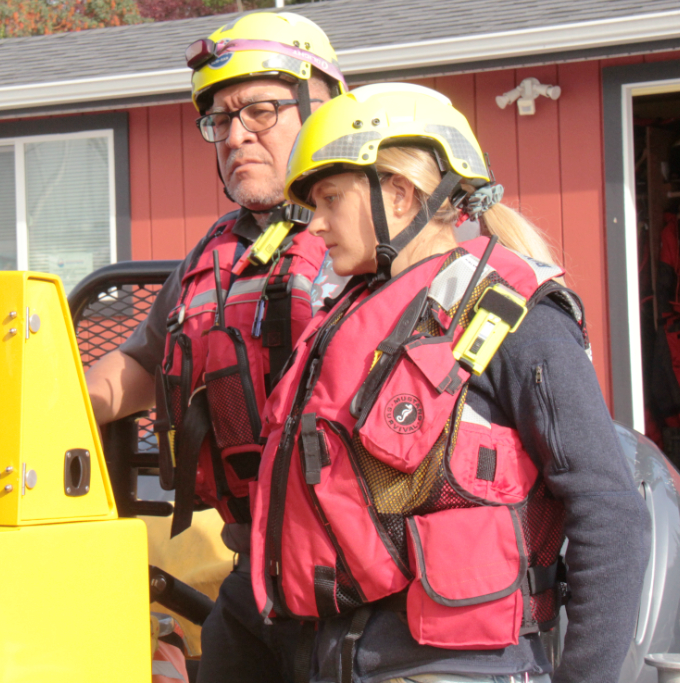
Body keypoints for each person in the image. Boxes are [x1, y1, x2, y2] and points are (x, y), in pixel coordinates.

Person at [251, 83, 649, 683]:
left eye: (330, 198)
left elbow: (610, 509)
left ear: (401, 193)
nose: (318, 224)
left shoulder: (517, 320)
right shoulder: (347, 320)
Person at [84, 11, 348, 683]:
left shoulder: (380, 241)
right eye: (220, 120)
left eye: (260, 111)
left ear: (323, 109)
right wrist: (46, 404)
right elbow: (142, 364)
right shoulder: (215, 257)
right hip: (257, 579)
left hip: (366, 594)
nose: (235, 136)